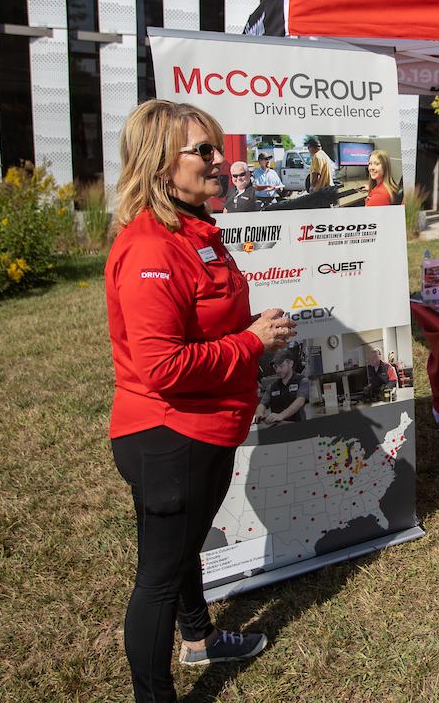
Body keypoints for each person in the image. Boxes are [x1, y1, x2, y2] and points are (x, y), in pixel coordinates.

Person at [105, 99, 297, 703]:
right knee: (159, 579)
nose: (221, 160)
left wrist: (247, 330)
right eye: (204, 151)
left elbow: (204, 324)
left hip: (205, 429)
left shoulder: (196, 230)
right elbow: (162, 367)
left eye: (218, 148)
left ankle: (198, 639)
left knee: (183, 548)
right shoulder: (151, 249)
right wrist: (250, 341)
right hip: (171, 436)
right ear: (162, 164)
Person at [260, 349, 309, 424]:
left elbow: (300, 400)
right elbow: (262, 404)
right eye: (276, 367)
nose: (278, 370)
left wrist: (281, 415)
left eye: (281, 366)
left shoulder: (302, 380)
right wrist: (259, 414)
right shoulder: (272, 387)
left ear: (291, 364)